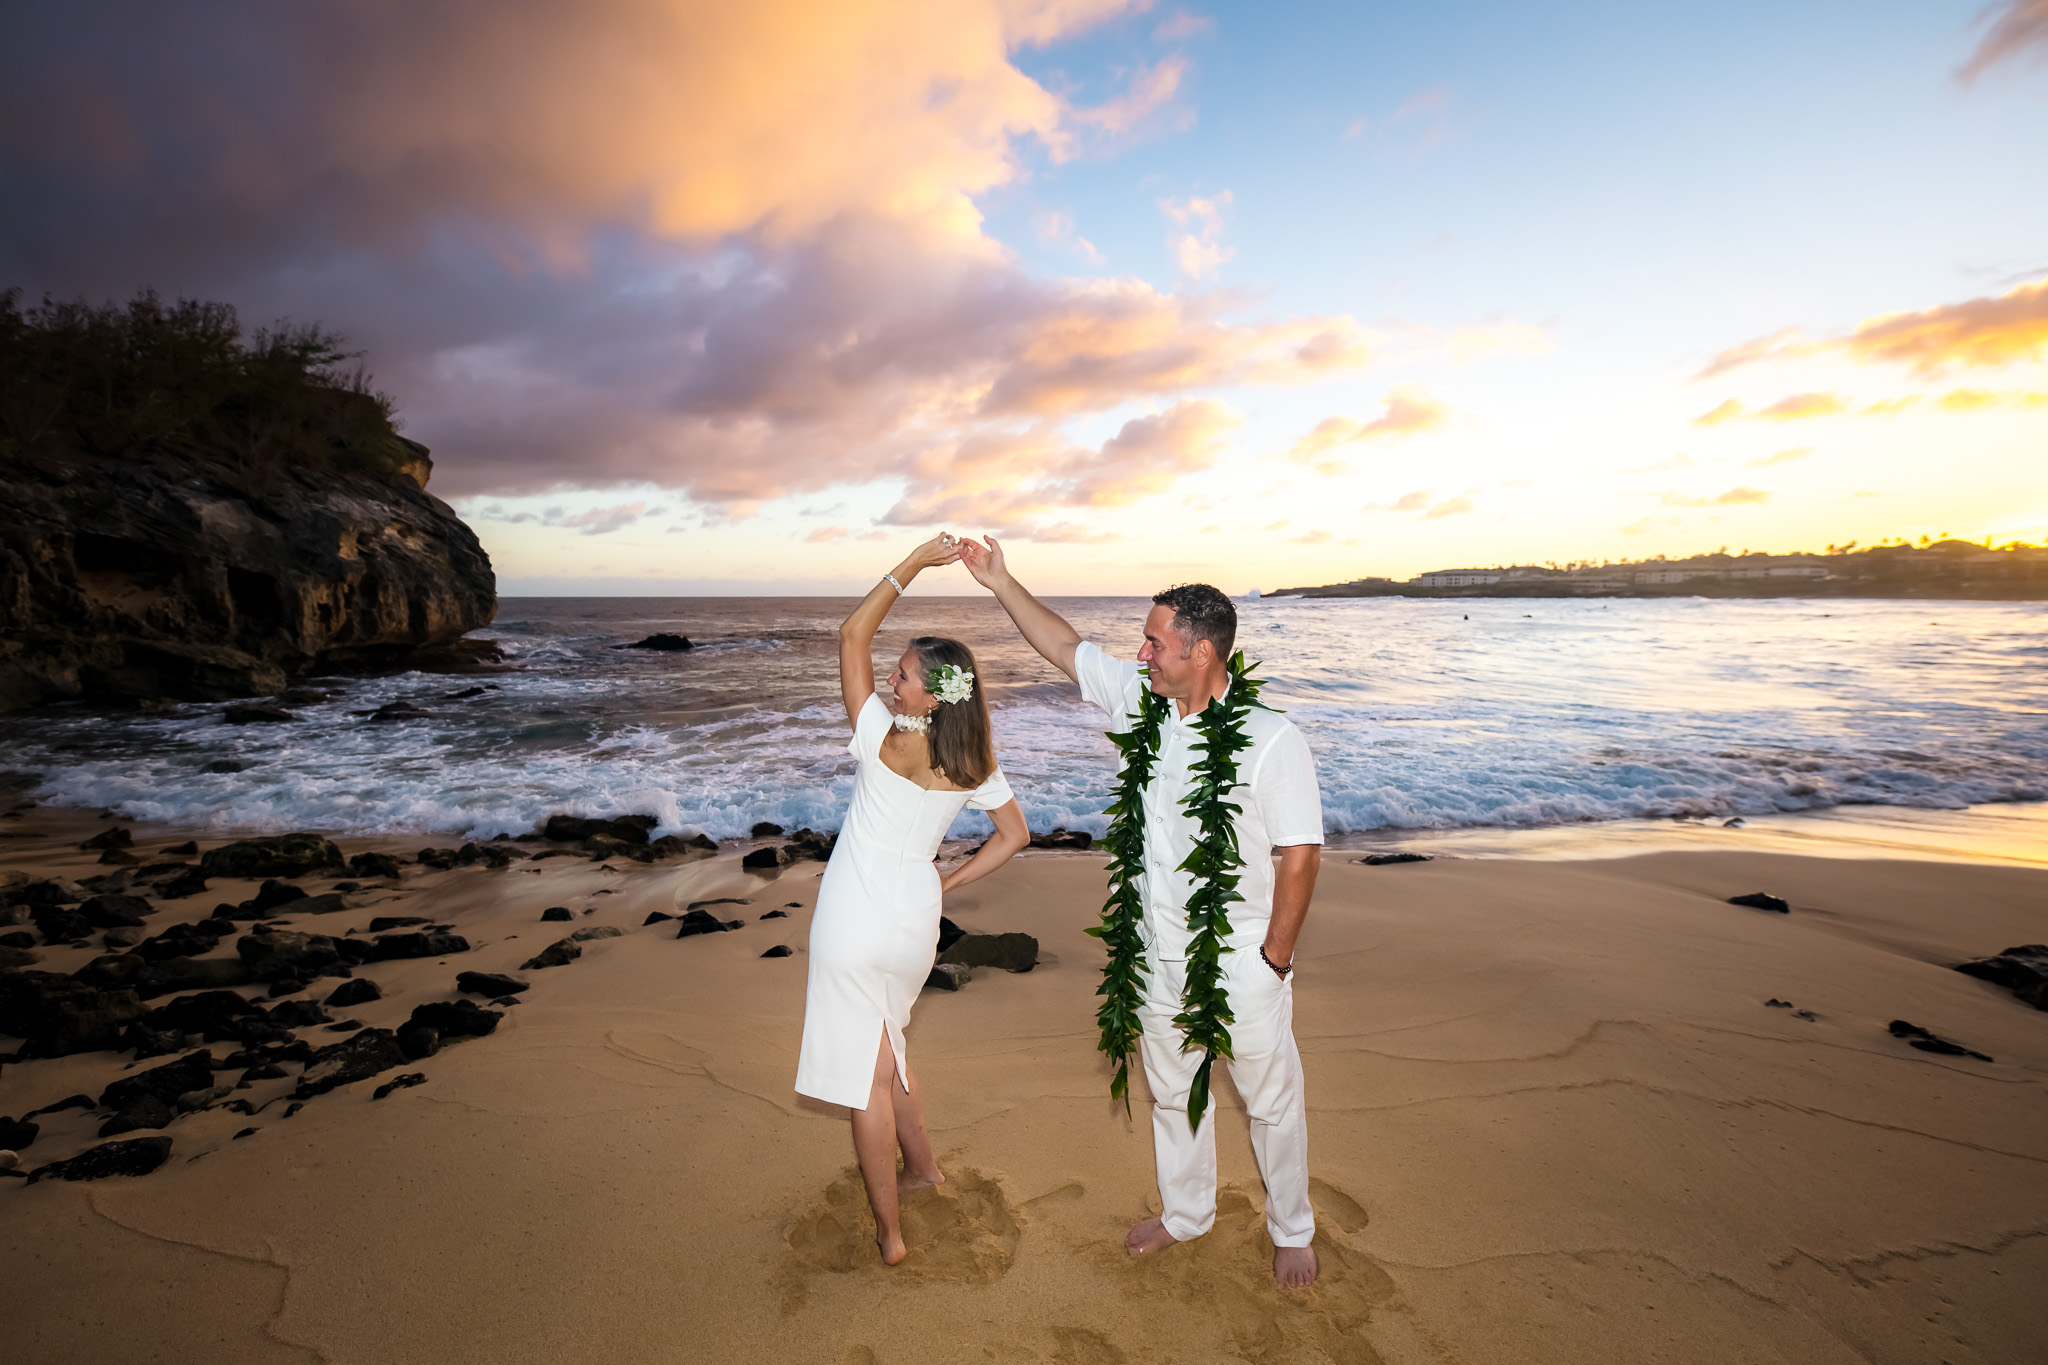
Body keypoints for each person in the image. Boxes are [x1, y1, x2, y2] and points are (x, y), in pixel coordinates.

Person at [959, 534, 1325, 1289]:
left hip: (1242, 959)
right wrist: (1001, 581)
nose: (1141, 653)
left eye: (1155, 642)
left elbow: (1300, 854)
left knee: (1269, 1101)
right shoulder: (1141, 703)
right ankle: (1186, 1213)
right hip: (1155, 951)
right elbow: (1066, 648)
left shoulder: (1270, 739)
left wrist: (1273, 961)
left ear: (1201, 652)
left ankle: (1292, 1228)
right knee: (1170, 1091)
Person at [793, 533, 1031, 1267]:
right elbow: (1015, 835)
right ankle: (924, 1169)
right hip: (913, 923)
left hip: (854, 919)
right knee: (891, 1047)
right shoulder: (971, 759)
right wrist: (946, 882)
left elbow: (849, 633)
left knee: (864, 1080)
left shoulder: (882, 740)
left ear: (932, 694)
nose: (891, 683)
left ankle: (890, 1235)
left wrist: (915, 564)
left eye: (902, 676)